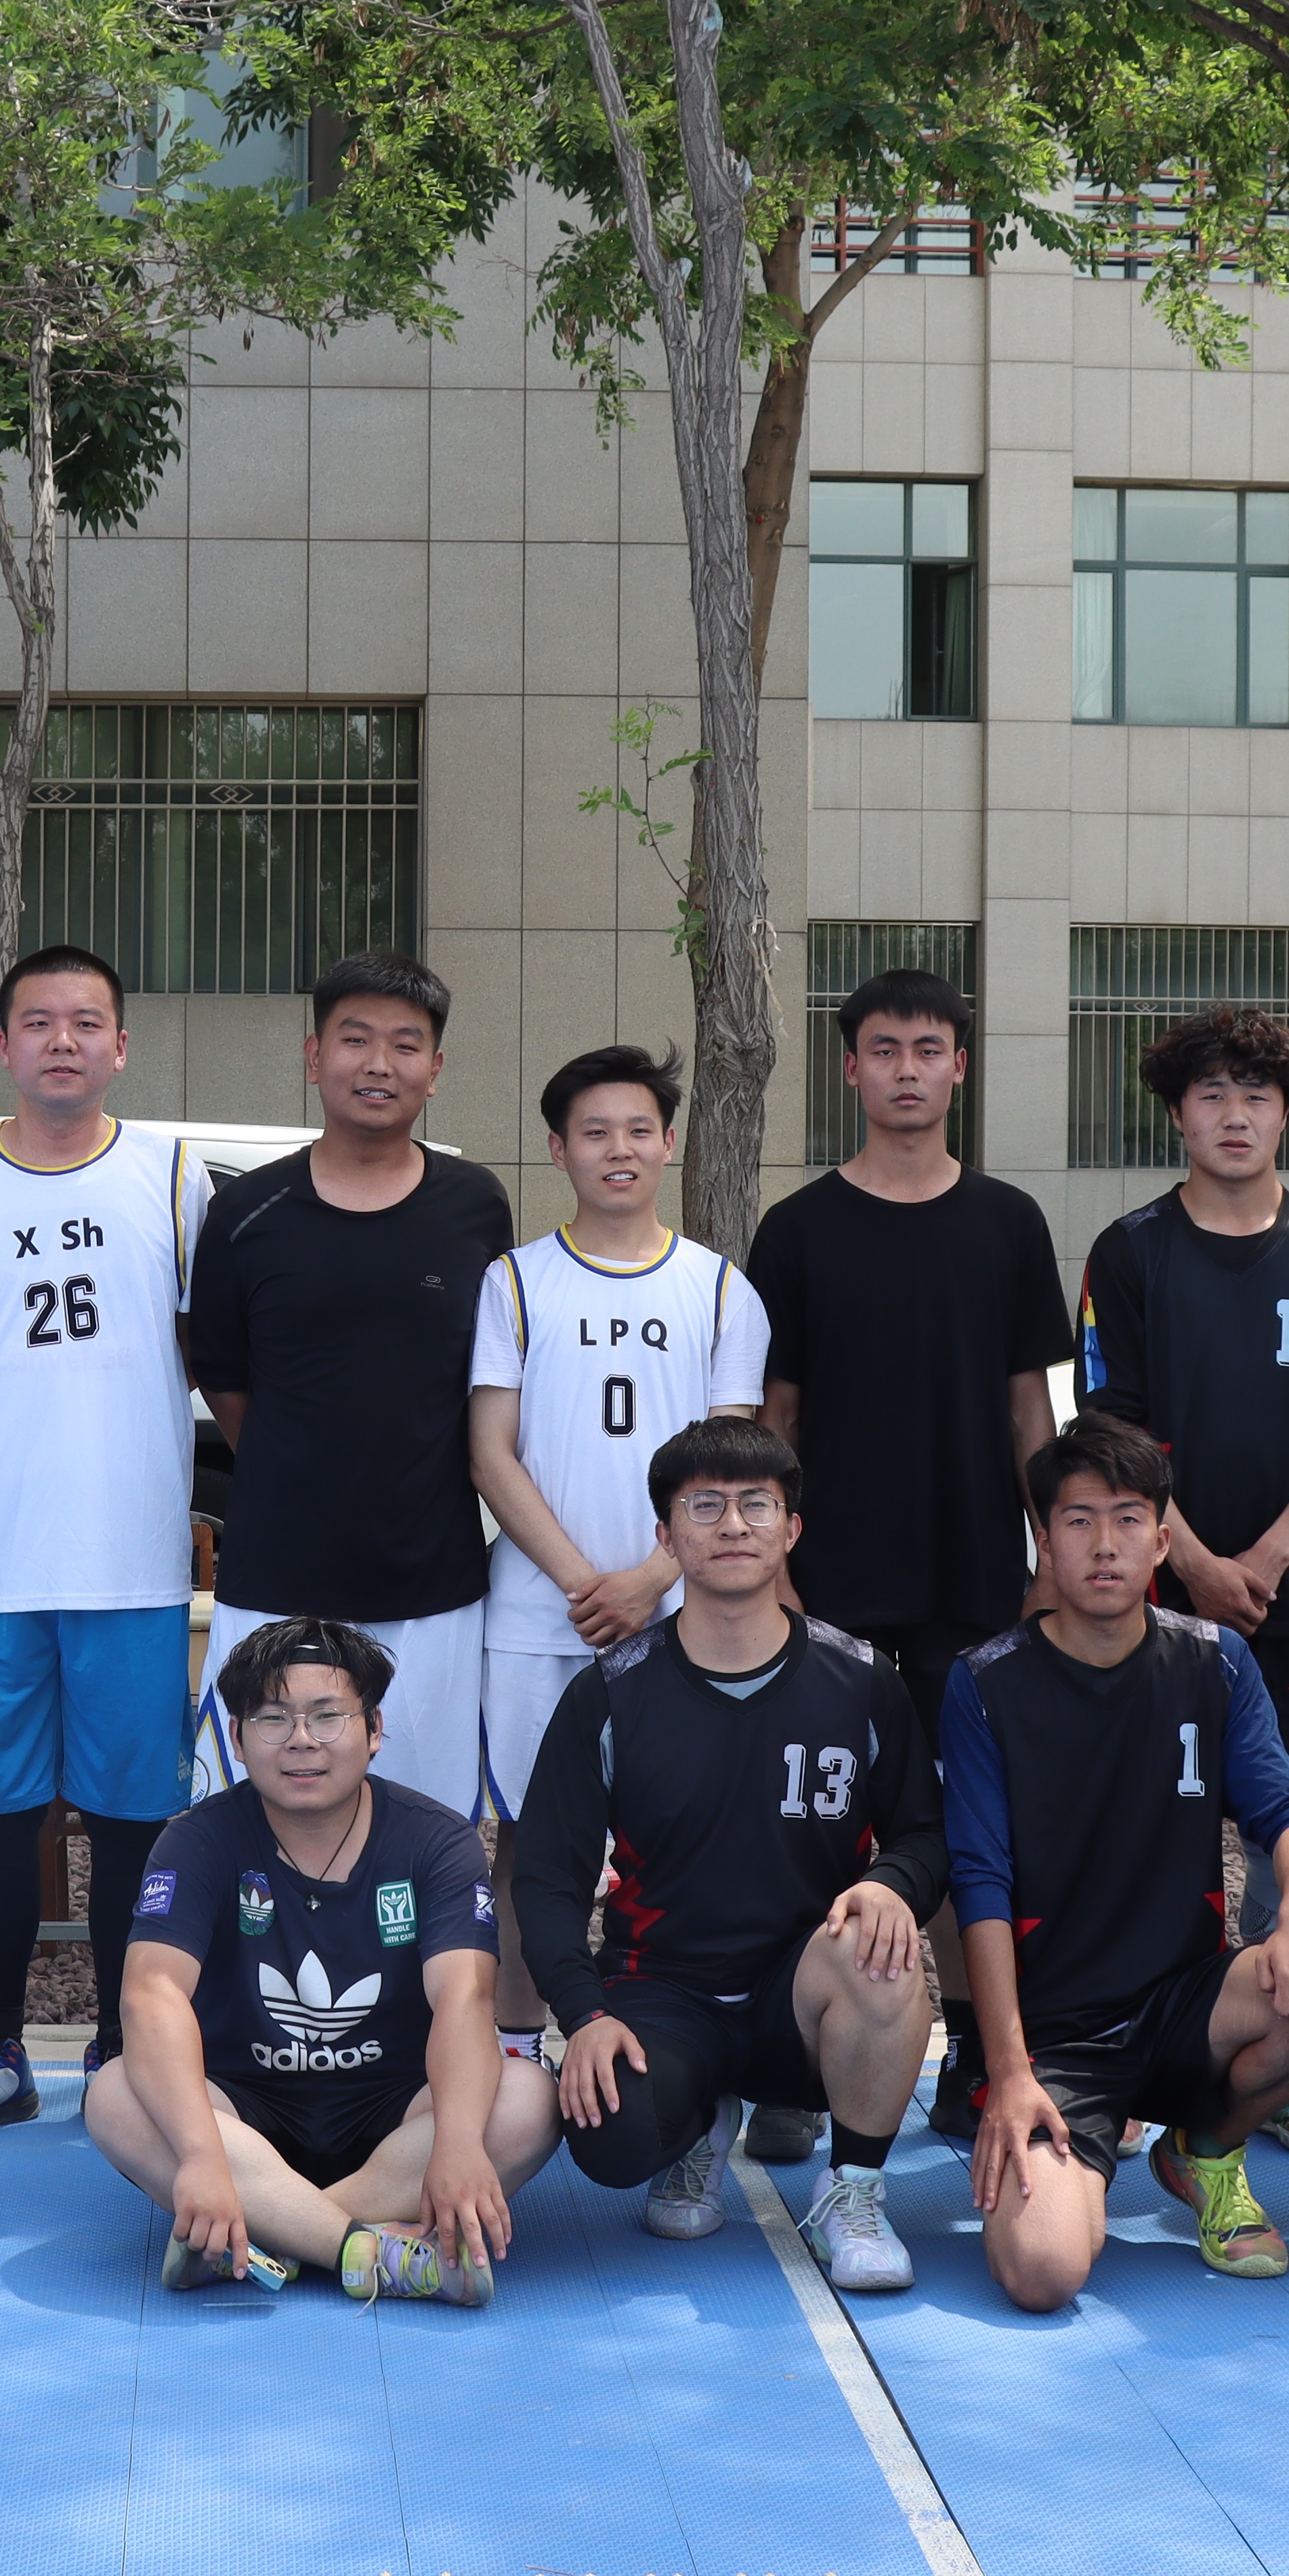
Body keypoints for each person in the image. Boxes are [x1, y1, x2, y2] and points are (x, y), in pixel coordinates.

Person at [0, 945, 213, 2137]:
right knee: (0, 1814)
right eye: (38, 1022)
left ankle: (127, 2052)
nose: (62, 1041)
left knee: (132, 1820)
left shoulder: (173, 1176)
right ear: (4, 1046)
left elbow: (200, 1342)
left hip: (130, 1557)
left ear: (120, 1045)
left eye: (86, 1022)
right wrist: (10, 1431)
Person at [744, 967, 1068, 2156]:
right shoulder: (798, 1230)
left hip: (969, 1577)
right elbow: (774, 1417)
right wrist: (776, 1573)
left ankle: (976, 2053)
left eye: (929, 1050)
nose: (907, 1070)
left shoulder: (1007, 1222)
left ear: (959, 1068)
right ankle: (793, 2060)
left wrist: (1046, 1554)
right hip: (828, 1585)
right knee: (811, 1824)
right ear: (851, 1068)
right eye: (884, 1050)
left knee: (966, 1824)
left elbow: (1028, 1407)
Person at [517, 1419, 946, 2292]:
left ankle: (854, 2189)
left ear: (791, 1529)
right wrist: (583, 2013)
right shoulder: (609, 1692)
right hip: (664, 1986)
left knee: (881, 1946)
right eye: (704, 1506)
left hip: (803, 1993)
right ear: (667, 1536)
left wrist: (892, 1885)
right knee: (608, 2137)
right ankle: (698, 2121)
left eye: (757, 1504)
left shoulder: (862, 1679)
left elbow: (923, 1835)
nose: (734, 1525)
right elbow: (546, 1877)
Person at [949, 1419, 1289, 2302]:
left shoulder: (1215, 1661)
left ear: (1162, 1542)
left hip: (1184, 2004)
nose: (1105, 1544)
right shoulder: (984, 1682)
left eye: (1128, 1519)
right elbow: (980, 1883)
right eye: (1079, 1520)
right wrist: (1008, 2071)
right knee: (1043, 2271)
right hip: (1059, 2035)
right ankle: (1076, 2169)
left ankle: (1204, 2149)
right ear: (1044, 1540)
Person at [86, 1618, 564, 2302]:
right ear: (237, 1739)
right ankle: (366, 2251)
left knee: (529, 2099)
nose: (301, 1739)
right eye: (273, 1718)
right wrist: (199, 2153)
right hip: (241, 2114)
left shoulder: (435, 1840)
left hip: (395, 2114)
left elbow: (464, 1997)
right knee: (113, 2094)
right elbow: (150, 1992)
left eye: (327, 1715)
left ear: (374, 1730)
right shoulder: (197, 1840)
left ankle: (262, 2236)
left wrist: (458, 2145)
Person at [467, 1043, 768, 2054]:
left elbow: (730, 1467)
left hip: (680, 1615)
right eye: (594, 1131)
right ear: (559, 1149)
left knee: (683, 1840)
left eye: (639, 1128)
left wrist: (651, 1578)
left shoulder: (719, 1288)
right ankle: (515, 2048)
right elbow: (490, 1450)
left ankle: (676, 2042)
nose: (619, 1148)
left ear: (670, 1142)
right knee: (530, 1841)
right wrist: (581, 1580)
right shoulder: (514, 1281)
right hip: (537, 1611)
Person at [1075, 1005, 1289, 1912]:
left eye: (1256, 1094)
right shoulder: (1128, 1252)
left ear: (1285, 1112)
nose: (1235, 1115)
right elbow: (1109, 1427)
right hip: (1152, 1596)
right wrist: (1196, 1563)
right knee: (1149, 1823)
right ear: (1178, 1113)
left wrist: (1268, 1557)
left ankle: (1280, 1995)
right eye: (1211, 1094)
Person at [186, 952, 511, 1819]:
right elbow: (223, 1379)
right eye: (354, 1038)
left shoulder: (476, 1204)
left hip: (432, 1582)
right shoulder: (244, 1213)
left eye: (405, 1044)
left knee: (425, 1824)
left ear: (434, 1069)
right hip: (277, 1576)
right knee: (262, 1822)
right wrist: (301, 1464)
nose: (378, 1063)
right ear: (313, 1055)